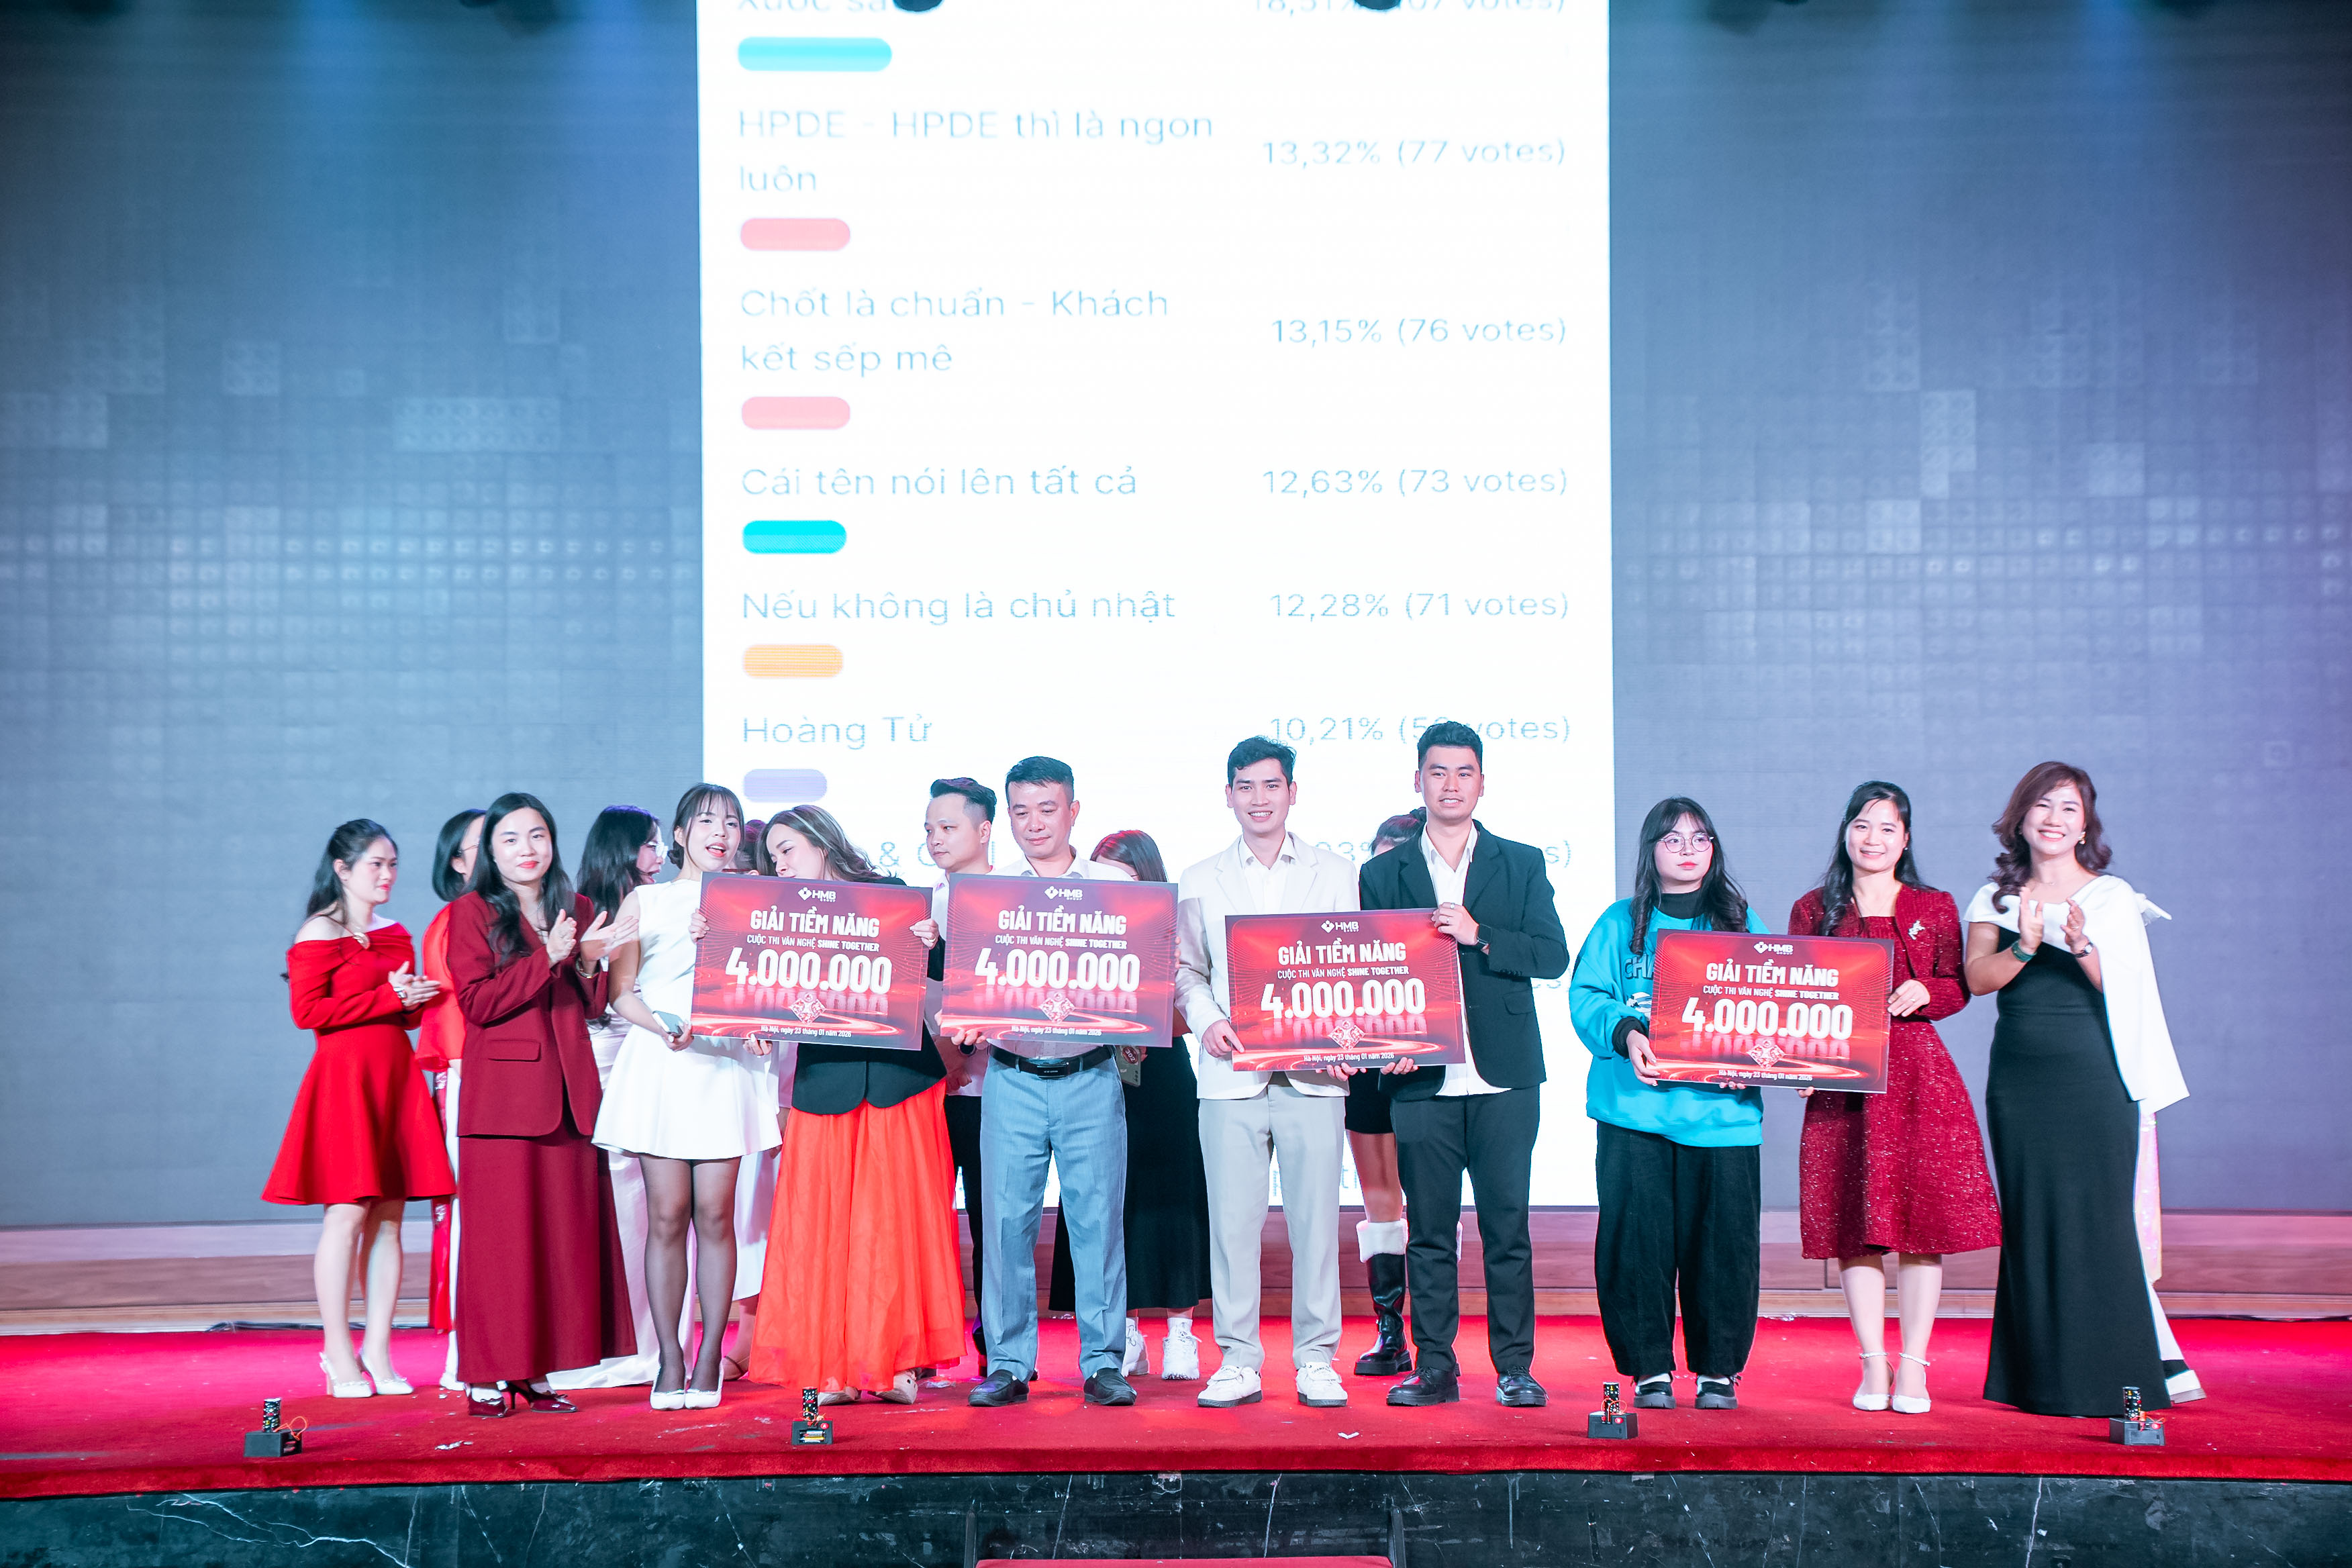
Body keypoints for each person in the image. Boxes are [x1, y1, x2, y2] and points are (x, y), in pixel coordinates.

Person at [1964, 762, 2199, 1418]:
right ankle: (2041, 1380)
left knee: (2098, 1218)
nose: (2054, 818)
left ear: (2085, 825)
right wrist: (2025, 946)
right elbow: (1977, 979)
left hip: (2096, 1075)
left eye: (2069, 808)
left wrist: (2080, 944)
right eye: (2042, 805)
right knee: (2033, 1219)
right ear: (2020, 818)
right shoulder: (1994, 898)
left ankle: (2121, 1381)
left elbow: (2126, 990)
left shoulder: (2112, 897)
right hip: (2020, 1079)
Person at [1361, 722, 1569, 1408]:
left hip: (1505, 1076)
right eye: (1438, 771)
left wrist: (1481, 936)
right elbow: (1371, 973)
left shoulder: (1521, 862)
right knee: (1428, 1232)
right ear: (1417, 780)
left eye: (1464, 772)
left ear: (1483, 782)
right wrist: (1381, 1040)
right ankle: (1435, 1366)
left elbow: (1551, 955)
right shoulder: (1382, 873)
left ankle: (1515, 1367)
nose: (1451, 785)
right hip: (1420, 1079)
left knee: (1507, 1227)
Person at [1790, 783, 2001, 1415]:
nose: (1873, 838)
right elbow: (1797, 995)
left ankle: (1914, 1364)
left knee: (1919, 1224)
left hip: (1916, 1078)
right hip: (1842, 1078)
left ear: (1905, 840)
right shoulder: (1812, 908)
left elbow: (1958, 986)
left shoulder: (1934, 905)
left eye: (1887, 828)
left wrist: (1928, 992)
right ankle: (1871, 1362)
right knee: (1854, 1225)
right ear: (1845, 832)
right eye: (1862, 824)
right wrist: (1801, 1064)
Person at [746, 805, 965, 1406]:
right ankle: (835, 1367)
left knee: (898, 1222)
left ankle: (896, 1364)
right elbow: (758, 985)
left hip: (901, 1080)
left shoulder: (889, 894)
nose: (779, 863)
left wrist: (934, 941)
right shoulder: (777, 914)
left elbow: (941, 968)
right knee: (826, 1227)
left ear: (821, 844)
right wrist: (751, 1020)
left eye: (787, 849)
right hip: (825, 1082)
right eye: (771, 855)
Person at [1175, 738, 1359, 1410]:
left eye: (1271, 785)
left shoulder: (1336, 872)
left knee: (1317, 1222)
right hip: (1231, 1073)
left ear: (1293, 792)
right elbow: (1187, 970)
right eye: (1246, 786)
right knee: (1231, 1225)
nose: (1259, 798)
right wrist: (1206, 1019)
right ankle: (1238, 1358)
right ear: (1228, 794)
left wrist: (1349, 1035)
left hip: (1315, 1075)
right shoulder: (1199, 877)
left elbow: (1355, 966)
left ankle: (1316, 1358)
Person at [1568, 796, 1768, 1412]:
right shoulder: (1618, 923)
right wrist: (1627, 1033)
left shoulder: (1741, 924)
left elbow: (1773, 1005)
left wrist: (1752, 1060)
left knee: (1725, 1247)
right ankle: (1648, 1368)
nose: (1688, 850)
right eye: (1673, 839)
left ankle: (1719, 1371)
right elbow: (1587, 996)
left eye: (1700, 839)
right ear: (1650, 850)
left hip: (1723, 1119)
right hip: (1635, 1113)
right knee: (1635, 1246)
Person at [446, 793, 637, 1416]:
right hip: (502, 1104)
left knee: (559, 1244)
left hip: (570, 1096)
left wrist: (588, 963)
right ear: (490, 851)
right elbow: (477, 1004)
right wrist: (548, 958)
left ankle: (537, 1372)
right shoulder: (471, 912)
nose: (526, 849)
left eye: (537, 836)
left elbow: (591, 1005)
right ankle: (485, 1375)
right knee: (500, 1247)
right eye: (510, 839)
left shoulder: (576, 907)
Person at [964, 756, 1140, 1410]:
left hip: (1091, 1074)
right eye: (1021, 811)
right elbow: (959, 975)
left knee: (1097, 1224)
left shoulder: (1115, 885)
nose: (1034, 823)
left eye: (1047, 809)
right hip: (1010, 1076)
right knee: (1005, 1225)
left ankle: (1104, 1361)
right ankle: (1009, 1362)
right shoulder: (985, 891)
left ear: (1073, 811)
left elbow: (1146, 964)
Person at [595, 786, 781, 1408]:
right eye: (705, 821)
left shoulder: (755, 897)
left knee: (716, 1215)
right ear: (679, 835)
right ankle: (670, 1359)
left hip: (724, 1068)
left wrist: (759, 1025)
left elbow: (769, 984)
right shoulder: (646, 900)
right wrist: (662, 1026)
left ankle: (709, 1359)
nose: (719, 832)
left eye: (730, 821)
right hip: (663, 1064)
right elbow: (622, 991)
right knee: (667, 1215)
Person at [264, 820, 456, 1398]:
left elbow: (400, 1015)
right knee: (346, 1216)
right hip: (344, 1080)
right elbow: (309, 1013)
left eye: (393, 864)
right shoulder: (319, 931)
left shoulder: (396, 933)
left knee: (390, 1220)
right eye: (376, 864)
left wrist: (411, 1001)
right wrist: (388, 996)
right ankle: (338, 1352)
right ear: (342, 869)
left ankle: (378, 1349)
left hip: (393, 1075)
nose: (388, 874)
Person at [1044, 828, 1214, 1385]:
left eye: (1127, 878)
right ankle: (1127, 1332)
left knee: (1175, 1202)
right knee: (1108, 1205)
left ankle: (1182, 1333)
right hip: (1097, 1072)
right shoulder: (1076, 931)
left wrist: (1148, 1020)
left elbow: (1196, 1009)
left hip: (1162, 1079)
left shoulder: (1173, 931)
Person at [547, 807, 669, 1393]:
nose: (660, 856)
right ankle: (606, 1346)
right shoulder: (582, 909)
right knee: (614, 1197)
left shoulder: (665, 902)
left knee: (654, 1205)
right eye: (650, 845)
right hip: (601, 1055)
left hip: (655, 1049)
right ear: (621, 849)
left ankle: (650, 1344)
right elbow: (580, 996)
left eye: (662, 844)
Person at [1346, 807, 1426, 1379]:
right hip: (1365, 1075)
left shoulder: (1441, 930)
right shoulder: (1349, 933)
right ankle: (1391, 1331)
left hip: (1427, 1072)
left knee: (1430, 1204)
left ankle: (1435, 1337)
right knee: (1379, 1200)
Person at [923, 778, 998, 1361]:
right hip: (930, 1090)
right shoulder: (920, 905)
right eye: (929, 830)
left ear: (984, 830)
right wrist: (941, 1060)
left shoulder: (1015, 898)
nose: (936, 839)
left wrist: (961, 1053)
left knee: (994, 1223)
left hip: (996, 1089)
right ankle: (924, 1343)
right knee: (925, 1220)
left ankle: (997, 1342)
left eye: (948, 827)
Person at [414, 807, 482, 1392]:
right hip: (474, 1085)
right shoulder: (455, 921)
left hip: (501, 1086)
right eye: (488, 843)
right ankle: (466, 1354)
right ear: (457, 862)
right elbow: (456, 1025)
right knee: (472, 1223)